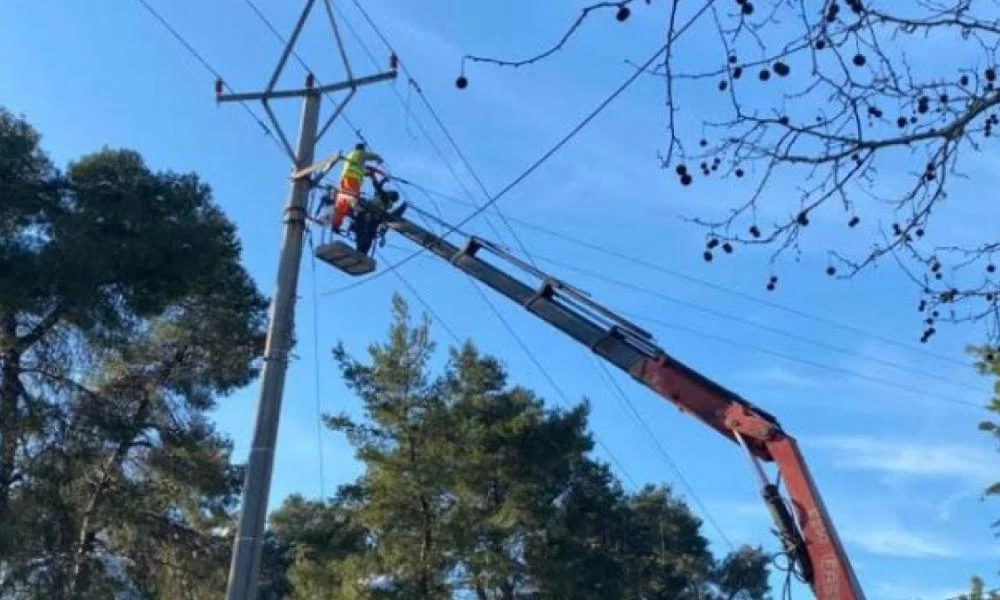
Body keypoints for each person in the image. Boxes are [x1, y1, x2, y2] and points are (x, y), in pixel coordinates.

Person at [331, 142, 383, 232]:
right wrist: (379, 159)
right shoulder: (360, 153)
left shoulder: (350, 155)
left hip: (344, 179)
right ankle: (357, 219)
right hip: (353, 180)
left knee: (341, 202)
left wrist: (366, 172)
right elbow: (371, 156)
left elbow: (358, 167)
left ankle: (336, 224)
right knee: (353, 200)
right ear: (362, 149)